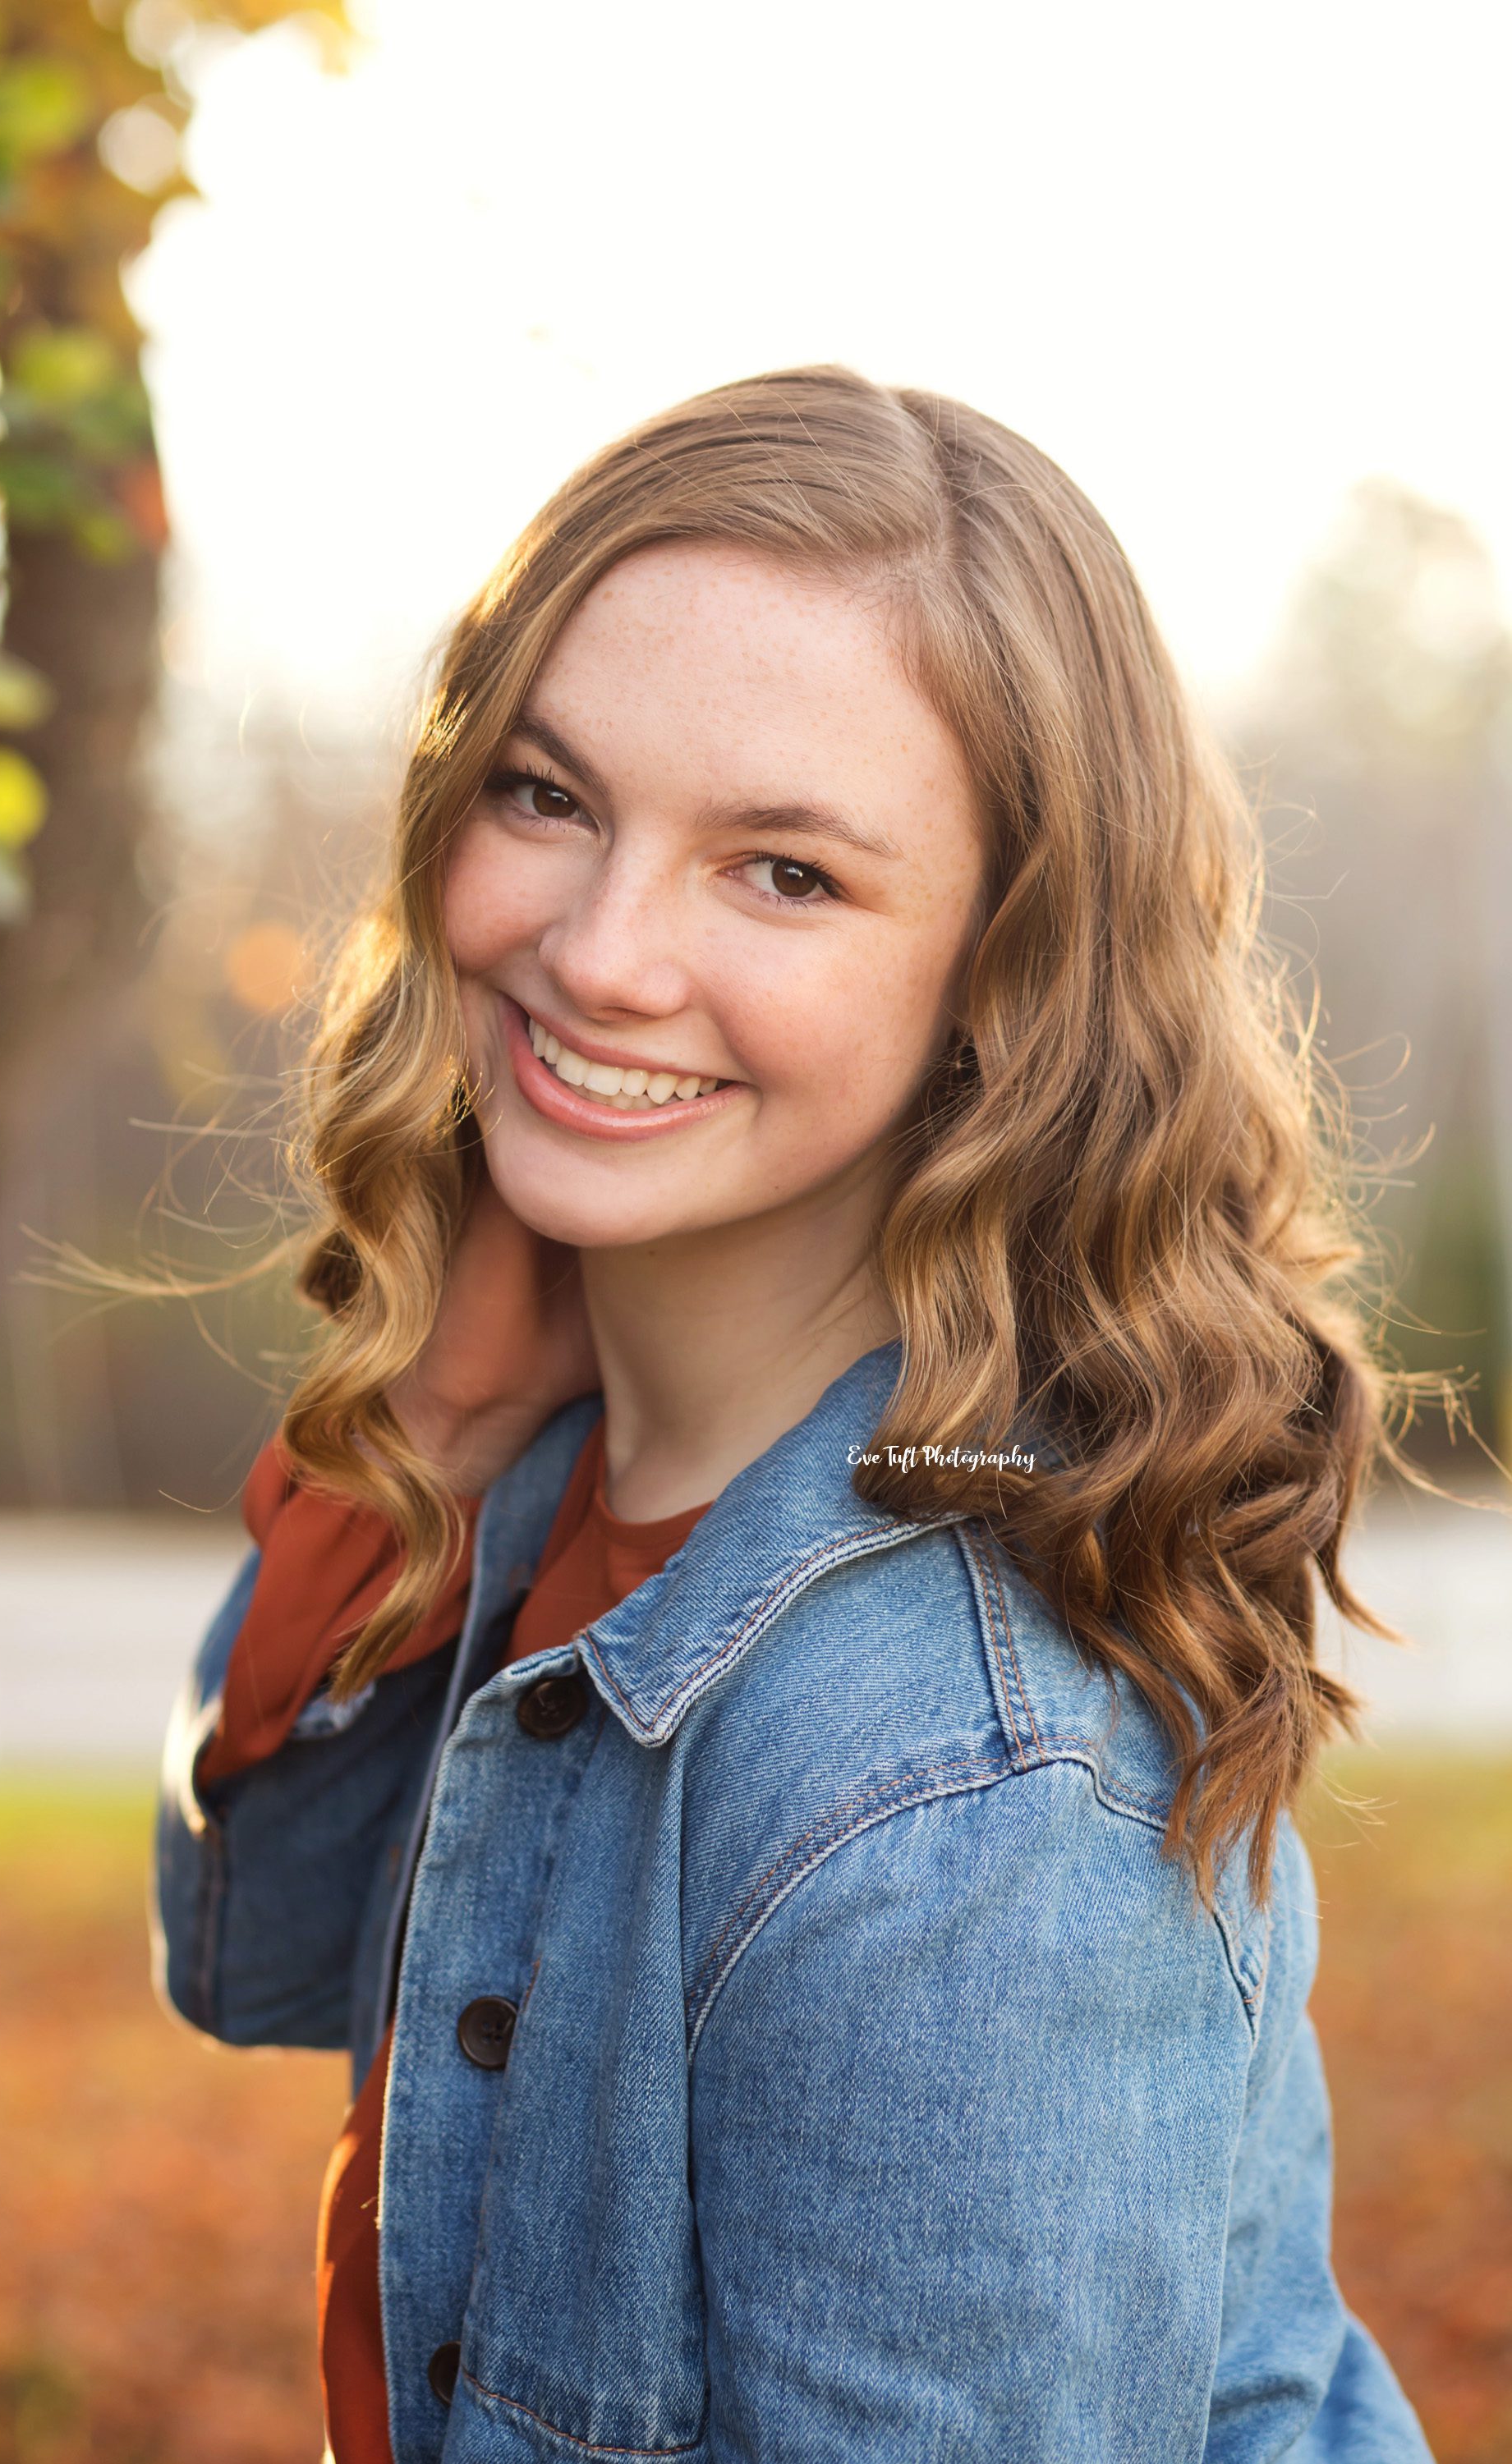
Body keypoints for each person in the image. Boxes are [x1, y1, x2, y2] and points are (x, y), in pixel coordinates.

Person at [153, 366, 1435, 2462]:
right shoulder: (556, 1463)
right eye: (548, 794)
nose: (598, 952)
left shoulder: (955, 1796)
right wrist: (435, 1440)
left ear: (1003, 981)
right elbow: (251, 1952)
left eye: (782, 873)